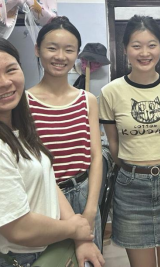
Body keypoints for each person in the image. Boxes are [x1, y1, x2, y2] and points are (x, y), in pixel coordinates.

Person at [0, 35, 104, 267]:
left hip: (48, 246)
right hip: (15, 258)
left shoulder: (15, 130)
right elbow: (19, 228)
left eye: (11, 70)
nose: (4, 82)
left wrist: (79, 234)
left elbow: (46, 181)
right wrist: (74, 228)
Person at [99, 15, 160, 267]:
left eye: (152, 45)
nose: (144, 53)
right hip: (131, 189)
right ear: (125, 49)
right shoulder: (110, 92)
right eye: (136, 46)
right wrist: (132, 170)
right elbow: (113, 144)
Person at [27, 16, 103, 251]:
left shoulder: (87, 100)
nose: (60, 56)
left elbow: (96, 156)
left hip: (83, 194)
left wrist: (91, 208)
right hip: (44, 198)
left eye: (69, 50)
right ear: (38, 50)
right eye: (52, 48)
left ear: (77, 54)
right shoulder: (23, 103)